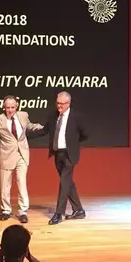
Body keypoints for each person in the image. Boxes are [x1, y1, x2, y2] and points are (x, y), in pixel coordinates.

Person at [28, 92, 88, 225]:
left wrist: (72, 143)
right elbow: (45, 130)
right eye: (58, 103)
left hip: (69, 154)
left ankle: (58, 213)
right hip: (57, 153)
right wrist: (26, 135)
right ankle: (79, 210)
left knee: (63, 183)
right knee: (67, 183)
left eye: (62, 104)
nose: (59, 106)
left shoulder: (76, 117)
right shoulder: (53, 115)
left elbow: (85, 134)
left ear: (68, 104)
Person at [0, 95, 44, 223]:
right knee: (5, 185)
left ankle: (23, 211)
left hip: (22, 154)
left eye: (12, 107)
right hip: (6, 155)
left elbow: (30, 126)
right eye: (7, 107)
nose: (10, 110)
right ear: (4, 107)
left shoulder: (23, 115)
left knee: (22, 183)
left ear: (17, 106)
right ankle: (6, 210)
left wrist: (45, 127)